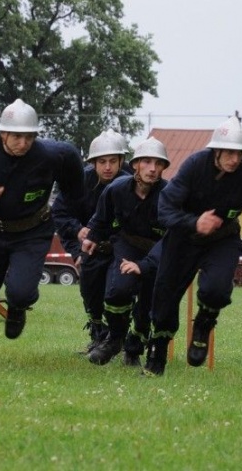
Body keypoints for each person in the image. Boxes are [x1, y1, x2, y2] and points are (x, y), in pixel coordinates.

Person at [143, 115, 242, 377]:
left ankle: (204, 324)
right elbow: (164, 209)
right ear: (216, 149)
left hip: (222, 240)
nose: (235, 160)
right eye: (229, 152)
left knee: (217, 290)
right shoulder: (194, 167)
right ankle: (157, 355)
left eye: (241, 154)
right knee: (164, 300)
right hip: (183, 239)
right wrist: (195, 222)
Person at [0, 98, 85, 371]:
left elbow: (73, 165)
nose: (23, 143)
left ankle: (17, 309)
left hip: (32, 233)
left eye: (29, 137)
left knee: (21, 292)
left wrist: (71, 202)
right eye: (16, 137)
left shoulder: (52, 154)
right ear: (2, 133)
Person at [84, 137, 169, 367]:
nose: (152, 168)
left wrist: (145, 265)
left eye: (158, 163)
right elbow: (101, 219)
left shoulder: (171, 195)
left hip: (159, 251)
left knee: (147, 306)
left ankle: (134, 348)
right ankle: (115, 338)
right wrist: (92, 237)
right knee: (117, 291)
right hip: (127, 244)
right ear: (135, 165)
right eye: (147, 162)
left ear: (163, 168)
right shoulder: (116, 189)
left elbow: (173, 238)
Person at [51, 129, 129, 354]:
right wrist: (78, 237)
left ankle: (119, 338)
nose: (107, 167)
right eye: (102, 161)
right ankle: (97, 336)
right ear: (93, 162)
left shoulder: (131, 182)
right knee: (90, 293)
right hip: (89, 250)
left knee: (115, 292)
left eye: (113, 161)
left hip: (120, 247)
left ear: (121, 161)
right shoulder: (79, 182)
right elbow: (60, 213)